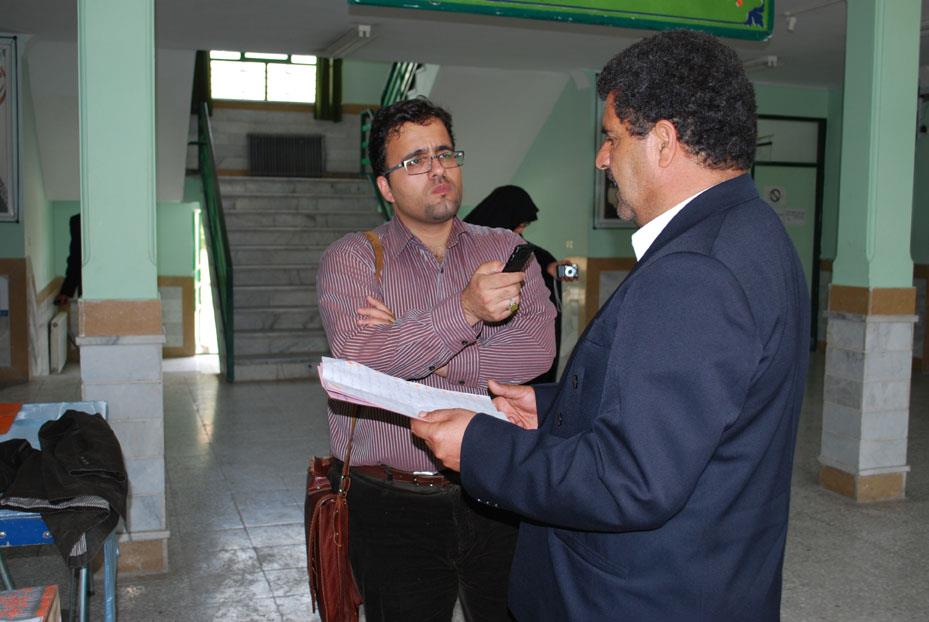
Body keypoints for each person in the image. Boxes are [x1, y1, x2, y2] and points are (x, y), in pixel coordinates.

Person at [411, 30, 810, 621]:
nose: (602, 158)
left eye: (612, 137)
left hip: (639, 597)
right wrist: (554, 406)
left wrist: (480, 446)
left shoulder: (695, 272)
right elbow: (692, 410)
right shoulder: (753, 232)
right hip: (712, 576)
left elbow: (630, 478)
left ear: (664, 142)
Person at [316, 97, 556, 622]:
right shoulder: (353, 258)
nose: (437, 169)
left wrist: (416, 350)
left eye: (445, 154)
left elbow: (537, 351)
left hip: (498, 486)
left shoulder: (506, 251)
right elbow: (359, 362)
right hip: (393, 500)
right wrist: (467, 310)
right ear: (385, 186)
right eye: (415, 160)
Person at [464, 185, 575, 383]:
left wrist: (550, 269)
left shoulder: (522, 247)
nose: (520, 231)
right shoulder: (464, 242)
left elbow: (539, 263)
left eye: (524, 226)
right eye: (519, 225)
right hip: (475, 356)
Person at [54, 214, 82, 306]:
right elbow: (76, 260)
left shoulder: (78, 222)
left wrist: (65, 291)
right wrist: (66, 291)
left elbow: (76, 260)